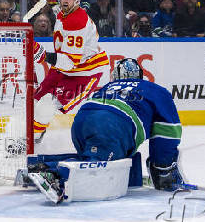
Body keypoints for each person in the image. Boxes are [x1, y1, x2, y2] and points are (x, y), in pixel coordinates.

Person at [27, 58, 184, 204]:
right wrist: (163, 167)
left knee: (95, 153)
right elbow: (168, 131)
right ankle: (52, 172)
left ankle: (37, 165)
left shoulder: (109, 86)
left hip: (82, 121)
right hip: (110, 125)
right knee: (97, 163)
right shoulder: (155, 89)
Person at [8, 0, 109, 152]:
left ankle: (30, 141)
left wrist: (42, 54)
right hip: (66, 67)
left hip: (85, 73)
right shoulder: (63, 14)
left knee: (47, 105)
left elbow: (69, 63)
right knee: (35, 101)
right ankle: (36, 133)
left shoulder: (78, 21)